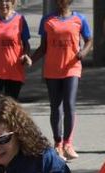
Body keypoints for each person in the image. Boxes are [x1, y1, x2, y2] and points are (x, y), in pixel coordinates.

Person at [31, 0, 92, 161]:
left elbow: (89, 40)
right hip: (52, 69)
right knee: (55, 106)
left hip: (72, 68)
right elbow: (43, 47)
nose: (61, 2)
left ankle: (68, 144)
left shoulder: (79, 19)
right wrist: (31, 60)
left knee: (69, 104)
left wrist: (83, 52)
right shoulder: (47, 20)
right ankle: (58, 143)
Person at [0, 0, 33, 100]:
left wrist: (26, 55)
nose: (3, 4)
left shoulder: (20, 20)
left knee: (10, 107)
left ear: (13, 2)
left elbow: (26, 43)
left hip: (14, 69)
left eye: (7, 1)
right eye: (0, 1)